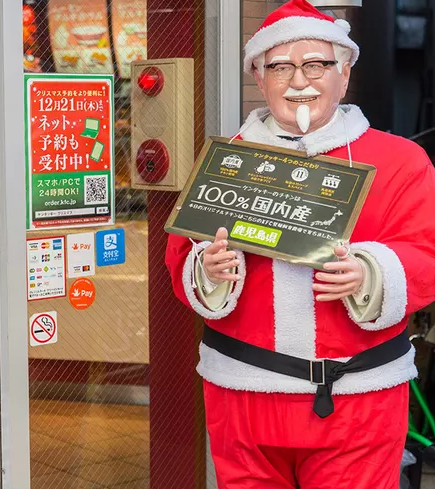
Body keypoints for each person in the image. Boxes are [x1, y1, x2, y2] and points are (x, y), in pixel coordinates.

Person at [164, 1, 435, 487]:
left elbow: (427, 251)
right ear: (259, 77)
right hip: (243, 393)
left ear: (344, 74)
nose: (298, 81)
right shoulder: (226, 161)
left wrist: (371, 273)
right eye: (280, 67)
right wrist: (207, 268)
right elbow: (182, 253)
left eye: (315, 65)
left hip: (360, 398)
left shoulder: (402, 161)